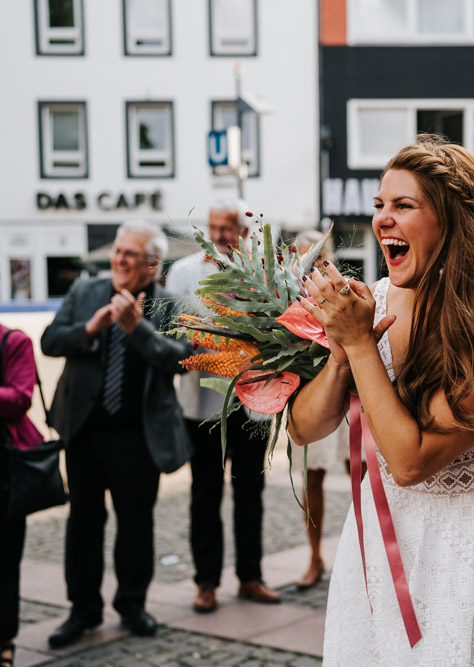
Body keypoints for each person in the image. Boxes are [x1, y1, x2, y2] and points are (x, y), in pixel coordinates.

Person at [289, 135, 474, 665]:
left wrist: (360, 345)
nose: (382, 219)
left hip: (463, 548)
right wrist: (343, 355)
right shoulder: (369, 300)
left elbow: (411, 461)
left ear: (452, 220)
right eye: (379, 205)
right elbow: (304, 428)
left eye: (403, 205)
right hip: (374, 538)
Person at [40, 220, 192, 647]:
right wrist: (92, 328)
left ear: (152, 263)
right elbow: (51, 341)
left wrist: (136, 330)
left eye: (130, 254)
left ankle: (132, 605)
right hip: (85, 431)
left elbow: (181, 358)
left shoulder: (170, 305)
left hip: (139, 436)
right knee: (84, 524)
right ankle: (82, 611)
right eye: (118, 252)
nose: (120, 260)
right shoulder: (85, 292)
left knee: (136, 526)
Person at [165, 202, 282, 612]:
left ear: (244, 231)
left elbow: (276, 327)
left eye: (227, 227)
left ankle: (250, 576)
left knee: (251, 492)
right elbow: (174, 328)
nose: (220, 235)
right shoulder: (182, 273)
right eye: (213, 227)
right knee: (205, 494)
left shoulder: (263, 272)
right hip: (203, 403)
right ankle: (206, 582)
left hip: (252, 400)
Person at [286, 228, 350, 590]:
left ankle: (365, 548)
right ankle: (314, 556)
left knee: (360, 469)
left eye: (315, 252)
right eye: (301, 252)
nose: (307, 258)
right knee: (311, 478)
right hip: (309, 392)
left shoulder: (343, 287)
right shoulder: (284, 291)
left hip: (350, 392)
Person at [0, 324, 46, 666]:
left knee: (4, 558)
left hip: (6, 468)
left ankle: (4, 639)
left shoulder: (12, 341)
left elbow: (20, 397)